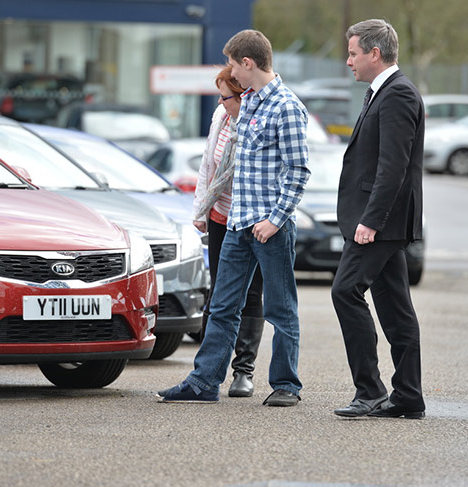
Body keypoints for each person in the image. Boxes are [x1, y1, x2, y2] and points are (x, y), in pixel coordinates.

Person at [157, 29, 310, 407]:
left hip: (269, 229)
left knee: (280, 308)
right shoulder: (252, 101)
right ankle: (203, 383)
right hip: (239, 224)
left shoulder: (287, 107)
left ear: (248, 63)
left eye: (232, 65)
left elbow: (298, 171)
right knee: (223, 307)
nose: (231, 74)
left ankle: (287, 385)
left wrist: (274, 220)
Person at [331, 19, 426, 419]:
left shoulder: (398, 94)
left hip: (380, 224)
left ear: (374, 53)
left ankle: (369, 390)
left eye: (353, 53)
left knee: (345, 291)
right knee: (395, 307)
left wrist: (370, 221)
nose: (348, 60)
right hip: (382, 222)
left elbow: (394, 168)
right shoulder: (381, 93)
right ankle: (407, 397)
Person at [192, 65, 265, 398]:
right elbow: (208, 166)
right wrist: (201, 210)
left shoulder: (256, 122)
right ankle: (206, 371)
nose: (221, 104)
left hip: (252, 220)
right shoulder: (220, 120)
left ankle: (243, 370)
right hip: (221, 217)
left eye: (226, 97)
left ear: (243, 94)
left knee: (250, 295)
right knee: (218, 296)